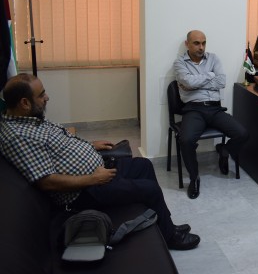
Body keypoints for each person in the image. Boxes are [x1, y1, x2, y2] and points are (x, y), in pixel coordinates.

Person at [0, 73, 200, 250]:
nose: (47, 97)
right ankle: (170, 237)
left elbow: (62, 143)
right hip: (83, 192)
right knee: (150, 189)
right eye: (41, 94)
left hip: (97, 173)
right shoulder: (18, 136)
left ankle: (166, 225)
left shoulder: (31, 120)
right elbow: (47, 181)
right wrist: (93, 179)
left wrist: (90, 145)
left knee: (144, 165)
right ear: (24, 103)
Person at [173, 30, 248, 199]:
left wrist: (195, 83)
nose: (201, 47)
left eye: (203, 43)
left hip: (215, 109)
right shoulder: (179, 63)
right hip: (193, 109)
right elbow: (187, 81)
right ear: (187, 44)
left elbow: (221, 81)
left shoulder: (213, 58)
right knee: (186, 140)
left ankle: (224, 151)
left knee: (242, 133)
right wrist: (209, 76)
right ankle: (194, 178)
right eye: (196, 43)